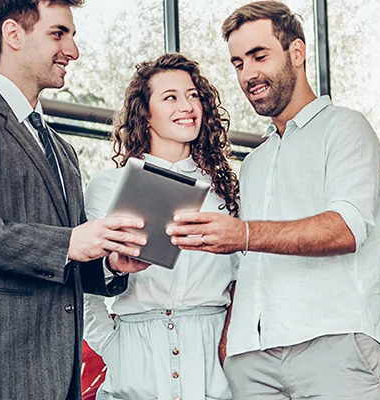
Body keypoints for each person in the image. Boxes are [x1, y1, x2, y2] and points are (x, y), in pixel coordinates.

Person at [0, 0, 152, 398]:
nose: (73, 51)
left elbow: (65, 261)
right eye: (59, 34)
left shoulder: (61, 151)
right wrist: (68, 242)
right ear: (13, 34)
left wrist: (110, 264)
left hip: (58, 378)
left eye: (72, 36)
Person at [166, 1, 380, 398]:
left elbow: (346, 229)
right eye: (238, 63)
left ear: (297, 52)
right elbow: (245, 261)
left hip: (334, 344)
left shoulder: (345, 128)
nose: (248, 74)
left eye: (259, 56)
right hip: (250, 359)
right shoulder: (255, 161)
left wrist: (243, 234)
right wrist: (230, 341)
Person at [81, 53, 241, 400]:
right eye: (170, 97)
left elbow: (242, 282)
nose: (187, 106)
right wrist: (112, 346)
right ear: (145, 113)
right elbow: (86, 284)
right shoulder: (108, 186)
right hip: (134, 358)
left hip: (211, 364)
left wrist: (227, 345)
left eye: (193, 95)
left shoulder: (224, 191)